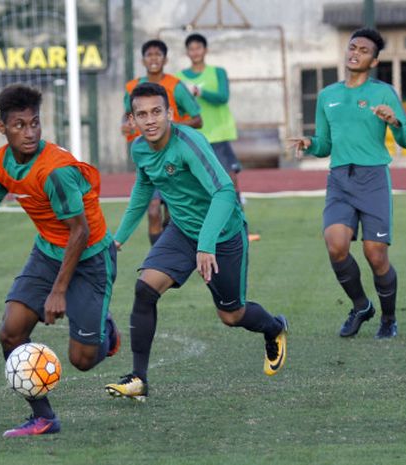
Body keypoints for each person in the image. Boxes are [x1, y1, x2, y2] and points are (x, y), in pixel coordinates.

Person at [0, 84, 120, 436]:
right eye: (20, 125)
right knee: (10, 332)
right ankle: (44, 417)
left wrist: (59, 291)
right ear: (1, 128)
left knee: (83, 360)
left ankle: (106, 333)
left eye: (35, 123)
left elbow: (79, 233)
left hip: (91, 256)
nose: (30, 132)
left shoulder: (56, 171)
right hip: (48, 252)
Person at [105, 83, 288, 401]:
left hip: (223, 235)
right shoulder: (139, 149)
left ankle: (274, 328)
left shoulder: (190, 143)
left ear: (169, 113)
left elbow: (225, 192)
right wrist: (118, 238)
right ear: (132, 119)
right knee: (145, 289)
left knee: (232, 315)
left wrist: (206, 244)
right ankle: (139, 378)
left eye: (156, 112)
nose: (150, 120)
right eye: (142, 114)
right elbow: (143, 188)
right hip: (182, 232)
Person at [288, 28, 406, 339]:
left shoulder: (384, 93)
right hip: (340, 180)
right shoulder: (328, 95)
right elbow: (325, 144)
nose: (355, 52)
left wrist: (393, 121)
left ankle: (389, 318)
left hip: (373, 179)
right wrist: (309, 143)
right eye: (352, 47)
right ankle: (361, 306)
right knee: (336, 245)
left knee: (375, 255)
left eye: (364, 50)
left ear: (374, 60)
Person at [178, 33, 261, 242]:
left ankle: (241, 226)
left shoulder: (218, 72)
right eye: (191, 48)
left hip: (219, 135)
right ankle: (200, 228)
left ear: (205, 50)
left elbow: (223, 97)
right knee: (196, 184)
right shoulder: (179, 78)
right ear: (187, 52)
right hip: (194, 137)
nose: (195, 52)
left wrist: (199, 91)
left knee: (231, 181)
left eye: (199, 48)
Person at [122, 39, 203, 245]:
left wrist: (170, 126)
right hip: (149, 155)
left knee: (172, 214)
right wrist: (125, 125)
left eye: (158, 54)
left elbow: (197, 119)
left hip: (174, 155)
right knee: (152, 209)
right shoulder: (132, 87)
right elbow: (126, 115)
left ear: (165, 59)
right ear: (143, 60)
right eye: (149, 55)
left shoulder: (175, 85)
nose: (154, 59)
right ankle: (158, 257)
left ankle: (172, 254)